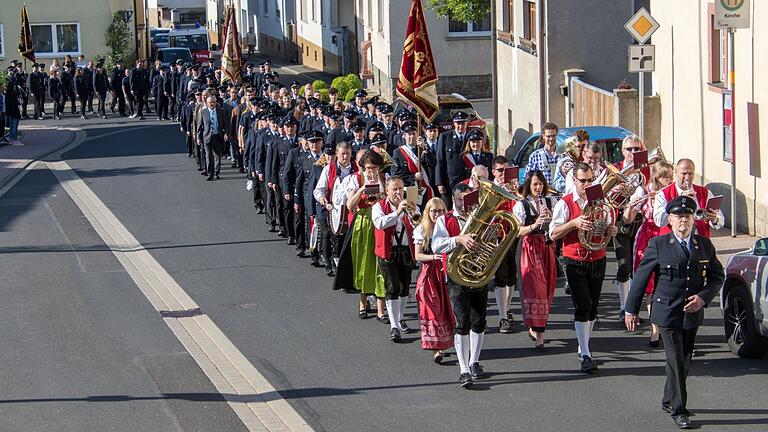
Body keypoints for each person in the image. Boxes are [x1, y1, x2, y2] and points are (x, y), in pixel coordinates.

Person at [625, 195, 724, 430]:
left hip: (692, 312)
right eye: (679, 217)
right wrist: (631, 309)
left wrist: (703, 298)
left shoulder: (704, 245)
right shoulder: (658, 245)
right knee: (676, 359)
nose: (684, 221)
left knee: (684, 359)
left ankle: (669, 398)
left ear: (693, 220)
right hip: (666, 311)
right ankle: (680, 410)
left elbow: (717, 276)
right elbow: (641, 278)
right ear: (669, 220)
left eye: (688, 216)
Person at [549, 162, 618, 373]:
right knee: (583, 305)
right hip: (574, 259)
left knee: (593, 308)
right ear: (574, 180)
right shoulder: (565, 203)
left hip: (598, 257)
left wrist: (610, 230)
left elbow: (605, 226)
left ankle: (583, 346)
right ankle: (586, 355)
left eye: (590, 180)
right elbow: (552, 234)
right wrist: (574, 223)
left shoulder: (600, 201)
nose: (587, 184)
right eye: (582, 181)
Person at [432, 183, 489, 388]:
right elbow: (436, 245)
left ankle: (474, 362)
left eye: (469, 200)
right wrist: (458, 239)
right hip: (457, 276)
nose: (466, 205)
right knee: (462, 323)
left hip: (479, 273)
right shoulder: (444, 220)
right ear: (454, 200)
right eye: (461, 200)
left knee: (479, 321)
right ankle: (463, 369)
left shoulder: (482, 218)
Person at [624, 160, 674, 347]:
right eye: (664, 177)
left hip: (669, 236)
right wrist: (633, 204)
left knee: (668, 282)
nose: (668, 181)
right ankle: (655, 330)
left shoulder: (673, 192)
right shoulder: (644, 190)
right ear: (656, 177)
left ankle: (668, 326)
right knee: (650, 285)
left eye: (670, 176)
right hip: (648, 237)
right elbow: (627, 219)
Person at [336, 149, 387, 321]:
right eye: (367, 168)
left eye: (374, 168)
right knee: (363, 262)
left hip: (380, 223)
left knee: (380, 264)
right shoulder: (354, 179)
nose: (371, 171)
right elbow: (350, 205)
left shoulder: (385, 180)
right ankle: (363, 303)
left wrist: (383, 194)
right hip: (363, 222)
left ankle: (381, 309)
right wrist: (363, 188)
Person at [514, 170, 557, 350]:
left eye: (540, 184)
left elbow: (558, 225)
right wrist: (534, 224)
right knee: (535, 289)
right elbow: (517, 231)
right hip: (529, 247)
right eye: (534, 185)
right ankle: (539, 333)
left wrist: (551, 218)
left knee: (547, 288)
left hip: (546, 247)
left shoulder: (551, 201)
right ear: (528, 186)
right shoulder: (521, 205)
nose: (538, 187)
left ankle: (537, 326)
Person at [372, 176, 419, 342]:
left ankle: (400, 318)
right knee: (392, 287)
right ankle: (394, 326)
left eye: (400, 189)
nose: (398, 192)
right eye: (394, 189)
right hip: (388, 251)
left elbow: (419, 226)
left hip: (406, 251)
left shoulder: (411, 205)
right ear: (387, 191)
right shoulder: (378, 207)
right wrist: (397, 212)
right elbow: (380, 224)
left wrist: (413, 215)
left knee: (405, 287)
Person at [413, 197, 455, 362]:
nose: (437, 214)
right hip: (429, 273)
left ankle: (447, 342)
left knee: (446, 308)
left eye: (440, 211)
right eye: (433, 211)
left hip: (446, 272)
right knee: (432, 308)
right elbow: (417, 255)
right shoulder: (422, 229)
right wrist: (432, 257)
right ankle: (436, 349)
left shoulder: (446, 227)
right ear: (427, 212)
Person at [313, 141, 357, 276]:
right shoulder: (329, 169)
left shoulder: (356, 168)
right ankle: (332, 263)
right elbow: (318, 190)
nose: (345, 157)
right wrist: (322, 199)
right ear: (337, 154)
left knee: (348, 240)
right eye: (342, 154)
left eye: (348, 154)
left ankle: (345, 267)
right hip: (333, 210)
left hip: (350, 210)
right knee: (332, 237)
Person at [653, 158, 725, 238]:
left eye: (690, 174)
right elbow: (659, 222)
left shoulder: (705, 192)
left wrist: (715, 219)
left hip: (699, 243)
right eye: (684, 173)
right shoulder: (662, 194)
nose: (687, 178)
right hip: (672, 244)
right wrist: (679, 201)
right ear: (676, 173)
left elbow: (720, 221)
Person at [435, 111, 470, 207]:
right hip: (449, 182)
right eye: (458, 123)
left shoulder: (471, 137)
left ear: (467, 123)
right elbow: (440, 161)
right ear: (454, 123)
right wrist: (439, 182)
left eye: (463, 123)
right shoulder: (445, 137)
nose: (460, 126)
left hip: (466, 180)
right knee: (448, 209)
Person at [197, 96, 228, 181]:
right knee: (208, 155)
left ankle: (216, 172)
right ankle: (210, 174)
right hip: (207, 136)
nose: (212, 104)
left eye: (213, 102)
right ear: (207, 103)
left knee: (217, 155)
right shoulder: (203, 112)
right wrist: (198, 137)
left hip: (217, 136)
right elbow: (199, 126)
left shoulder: (220, 111)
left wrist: (226, 133)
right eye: (210, 102)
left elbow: (225, 123)